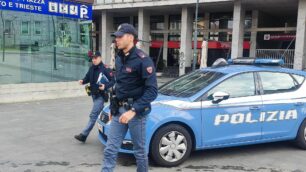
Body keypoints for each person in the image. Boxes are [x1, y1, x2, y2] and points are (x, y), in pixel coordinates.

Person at [101, 23, 158, 172]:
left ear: (131, 38)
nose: (117, 40)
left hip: (137, 113)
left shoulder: (143, 60)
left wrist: (133, 110)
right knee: (110, 149)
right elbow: (119, 84)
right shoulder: (119, 58)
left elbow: (152, 91)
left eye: (120, 36)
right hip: (119, 110)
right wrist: (113, 106)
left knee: (139, 152)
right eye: (116, 37)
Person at [75, 51, 114, 143]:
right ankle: (111, 133)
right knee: (103, 116)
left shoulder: (105, 69)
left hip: (100, 96)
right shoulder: (92, 68)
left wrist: (106, 86)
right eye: (92, 58)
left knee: (93, 115)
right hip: (93, 95)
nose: (94, 60)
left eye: (95, 58)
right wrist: (82, 81)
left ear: (100, 58)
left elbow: (113, 81)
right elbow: (87, 77)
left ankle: (84, 135)